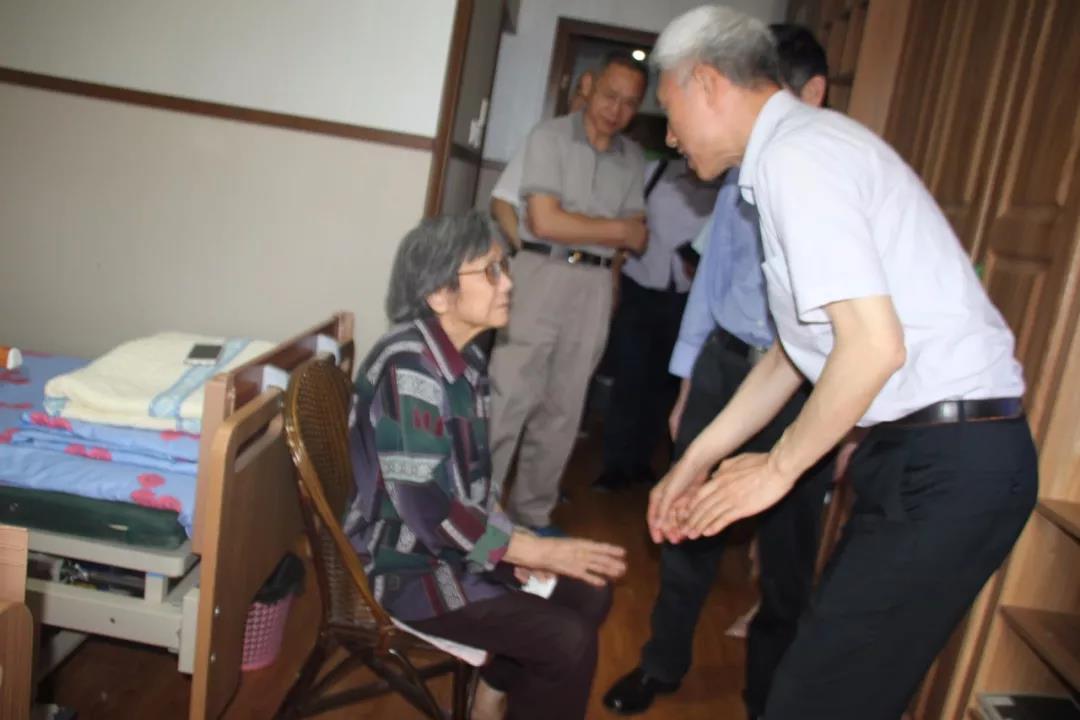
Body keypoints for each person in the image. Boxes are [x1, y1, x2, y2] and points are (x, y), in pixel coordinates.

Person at [648, 7, 1037, 720]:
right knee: (829, 688)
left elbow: (873, 347)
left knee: (817, 697)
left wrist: (776, 468)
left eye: (669, 111)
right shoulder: (789, 158)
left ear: (706, 82)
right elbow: (794, 357)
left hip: (953, 457)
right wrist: (694, 460)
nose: (670, 137)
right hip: (925, 455)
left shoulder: (798, 158)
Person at [602, 23, 833, 717]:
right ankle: (661, 664)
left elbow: (859, 336)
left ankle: (767, 695)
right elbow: (710, 280)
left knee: (788, 554)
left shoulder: (826, 173)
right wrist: (685, 384)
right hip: (727, 366)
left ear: (811, 95)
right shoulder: (739, 174)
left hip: (805, 386)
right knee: (686, 526)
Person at [347, 212, 628, 720]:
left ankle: (491, 693)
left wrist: (509, 545)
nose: (509, 283)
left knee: (590, 593)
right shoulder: (407, 368)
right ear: (439, 293)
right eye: (492, 271)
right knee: (565, 640)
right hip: (406, 568)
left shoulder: (466, 364)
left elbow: (475, 486)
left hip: (450, 551)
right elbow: (430, 512)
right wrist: (526, 549)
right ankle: (496, 693)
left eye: (505, 268)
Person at [488, 52, 649, 534]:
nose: (616, 110)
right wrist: (613, 229)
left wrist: (589, 234)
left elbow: (639, 237)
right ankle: (479, 518)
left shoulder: (633, 158)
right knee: (508, 400)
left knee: (563, 410)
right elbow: (543, 222)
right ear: (588, 86)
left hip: (595, 286)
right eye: (610, 96)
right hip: (540, 272)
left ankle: (531, 517)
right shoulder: (550, 136)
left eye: (630, 103)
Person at [593, 155, 718, 492]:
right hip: (640, 287)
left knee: (664, 385)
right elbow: (628, 222)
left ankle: (641, 462)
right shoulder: (655, 172)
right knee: (629, 379)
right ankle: (614, 465)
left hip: (686, 297)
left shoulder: (723, 185)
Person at [489, 70, 595, 251]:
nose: (582, 103)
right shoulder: (545, 140)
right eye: (579, 92)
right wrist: (523, 252)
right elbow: (501, 203)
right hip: (539, 255)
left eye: (590, 96)